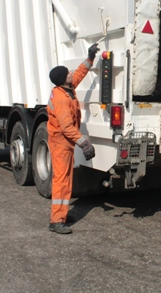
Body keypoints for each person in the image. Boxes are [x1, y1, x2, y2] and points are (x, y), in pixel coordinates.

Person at [47, 43, 100, 234]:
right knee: (61, 180)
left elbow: (78, 75)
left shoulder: (66, 89)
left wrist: (89, 58)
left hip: (63, 142)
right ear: (63, 80)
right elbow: (67, 127)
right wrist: (83, 142)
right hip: (61, 142)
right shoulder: (61, 99)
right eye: (67, 73)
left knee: (66, 178)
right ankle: (56, 221)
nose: (71, 74)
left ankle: (62, 213)